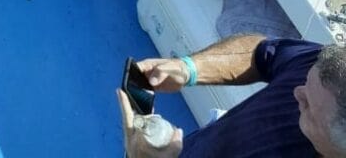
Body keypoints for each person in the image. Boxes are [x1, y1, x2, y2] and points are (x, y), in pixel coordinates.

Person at [117, 34, 346, 156]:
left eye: (307, 106)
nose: (297, 92)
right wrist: (190, 68)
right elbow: (262, 53)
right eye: (305, 80)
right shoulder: (322, 66)